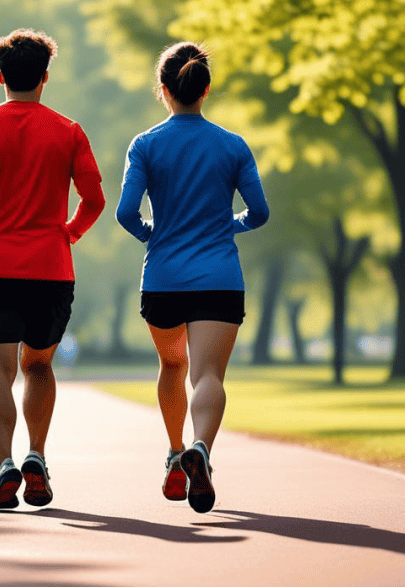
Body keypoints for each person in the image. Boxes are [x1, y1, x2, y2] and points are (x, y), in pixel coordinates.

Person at [0, 28, 105, 512]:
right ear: (45, 78)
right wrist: (69, 234)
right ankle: (37, 455)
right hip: (51, 270)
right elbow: (94, 199)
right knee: (38, 366)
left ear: (0, 77)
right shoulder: (69, 131)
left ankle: (3, 464)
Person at [116, 42, 268, 514]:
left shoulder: (145, 144)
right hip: (219, 277)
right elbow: (259, 213)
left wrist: (151, 235)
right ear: (206, 89)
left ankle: (175, 451)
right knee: (209, 375)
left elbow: (125, 213)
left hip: (162, 279)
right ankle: (201, 448)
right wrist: (230, 224)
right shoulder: (233, 145)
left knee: (174, 367)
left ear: (164, 90)